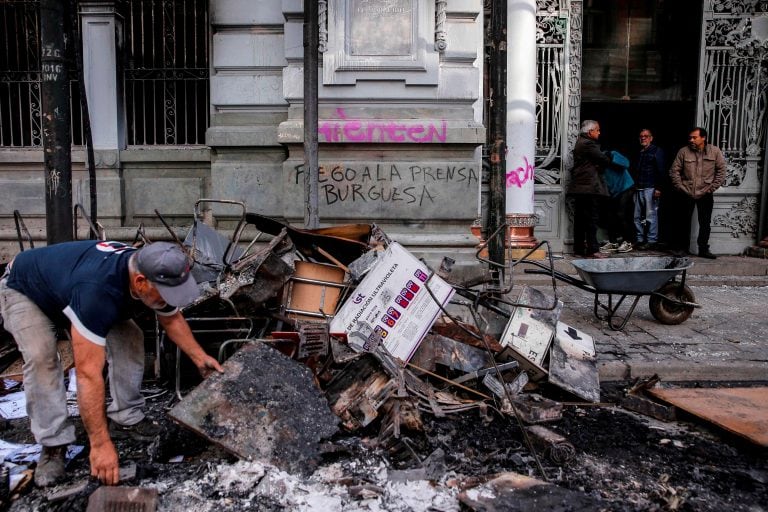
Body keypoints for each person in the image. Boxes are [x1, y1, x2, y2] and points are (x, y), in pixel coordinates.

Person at [0, 241, 224, 487]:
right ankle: (53, 444)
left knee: (130, 337)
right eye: (168, 294)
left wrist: (200, 358)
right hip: (25, 288)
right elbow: (88, 374)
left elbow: (172, 320)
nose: (171, 300)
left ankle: (126, 417)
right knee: (42, 357)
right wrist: (100, 445)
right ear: (140, 282)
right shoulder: (95, 292)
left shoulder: (151, 271)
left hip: (70, 285)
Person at [668, 127, 727, 259]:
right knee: (682, 222)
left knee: (705, 223)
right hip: (686, 192)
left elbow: (721, 172)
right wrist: (680, 187)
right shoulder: (683, 151)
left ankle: (703, 250)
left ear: (703, 138)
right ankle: (682, 249)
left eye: (694, 137)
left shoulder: (715, 151)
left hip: (705, 193)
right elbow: (674, 171)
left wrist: (711, 188)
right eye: (690, 137)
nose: (691, 140)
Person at [567, 120, 622, 258]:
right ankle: (593, 250)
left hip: (581, 187)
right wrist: (607, 157)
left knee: (580, 219)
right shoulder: (588, 144)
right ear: (590, 132)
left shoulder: (581, 142)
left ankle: (579, 249)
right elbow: (604, 160)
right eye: (597, 130)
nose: (599, 132)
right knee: (591, 219)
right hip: (588, 187)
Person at [632, 129, 666, 249]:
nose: (643, 138)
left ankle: (651, 240)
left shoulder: (657, 151)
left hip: (650, 188)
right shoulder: (640, 152)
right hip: (638, 188)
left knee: (650, 216)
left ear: (651, 138)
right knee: (637, 216)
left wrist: (658, 188)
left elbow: (661, 171)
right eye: (641, 136)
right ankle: (640, 239)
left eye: (646, 136)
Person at [599, 150, 635, 254]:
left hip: (625, 187)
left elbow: (626, 163)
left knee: (620, 214)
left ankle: (628, 242)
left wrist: (611, 158)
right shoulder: (596, 164)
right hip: (613, 192)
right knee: (610, 216)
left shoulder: (611, 154)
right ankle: (613, 242)